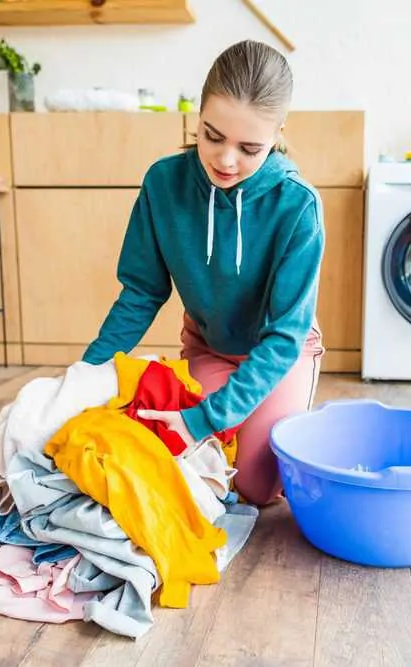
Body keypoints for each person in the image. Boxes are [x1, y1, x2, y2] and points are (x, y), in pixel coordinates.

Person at [82, 40, 326, 506]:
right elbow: (141, 292)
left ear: (277, 134)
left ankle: (299, 416)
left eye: (250, 147)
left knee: (256, 488)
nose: (226, 160)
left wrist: (202, 419)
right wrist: (84, 374)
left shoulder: (298, 207)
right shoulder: (163, 183)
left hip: (280, 353)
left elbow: (283, 338)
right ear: (198, 114)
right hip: (209, 346)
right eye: (213, 136)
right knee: (188, 464)